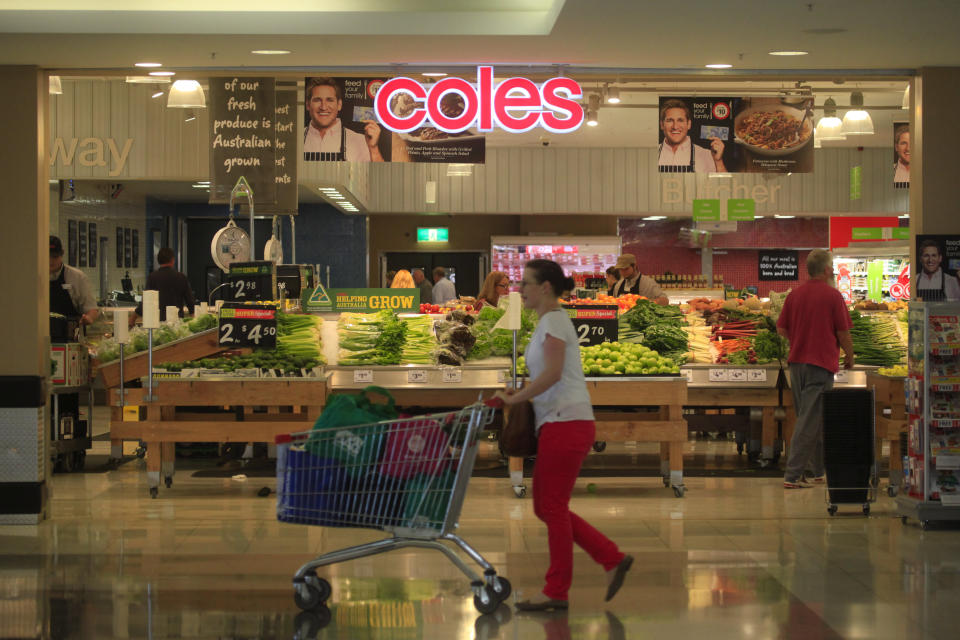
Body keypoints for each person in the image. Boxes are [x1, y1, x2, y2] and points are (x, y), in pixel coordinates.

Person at [494, 259, 632, 611]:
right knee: (546, 505)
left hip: (566, 422)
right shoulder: (547, 322)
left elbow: (554, 373)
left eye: (525, 283)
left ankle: (557, 590)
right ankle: (611, 558)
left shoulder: (555, 321)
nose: (520, 289)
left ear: (545, 288)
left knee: (551, 506)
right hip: (560, 421)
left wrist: (516, 397)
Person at [776, 249, 855, 489]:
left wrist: (799, 339)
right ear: (827, 270)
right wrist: (850, 355)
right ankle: (792, 475)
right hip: (820, 366)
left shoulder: (794, 295)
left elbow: (781, 329)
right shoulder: (833, 296)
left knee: (812, 418)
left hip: (797, 365)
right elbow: (843, 332)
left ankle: (817, 470)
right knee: (809, 422)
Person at [303, 77, 383, 162]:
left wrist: (373, 149)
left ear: (339, 105)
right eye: (317, 100)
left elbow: (380, 174)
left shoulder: (361, 140)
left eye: (329, 100)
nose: (323, 107)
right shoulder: (294, 138)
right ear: (308, 105)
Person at [49, 235, 98, 338]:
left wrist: (88, 318)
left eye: (55, 256)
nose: (51, 260)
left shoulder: (77, 277)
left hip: (71, 335)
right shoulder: (32, 277)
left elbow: (92, 309)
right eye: (48, 256)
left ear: (62, 254)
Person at [657, 99, 726, 173]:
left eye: (680, 120)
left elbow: (724, 184)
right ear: (662, 125)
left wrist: (718, 162)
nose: (675, 126)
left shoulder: (707, 155)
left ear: (689, 124)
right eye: (670, 120)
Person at [131, 248, 195, 325]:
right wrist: (193, 317)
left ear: (158, 260)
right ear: (172, 260)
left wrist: (132, 319)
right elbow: (190, 301)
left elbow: (145, 302)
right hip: (177, 324)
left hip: (157, 323)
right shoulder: (181, 277)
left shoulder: (152, 277)